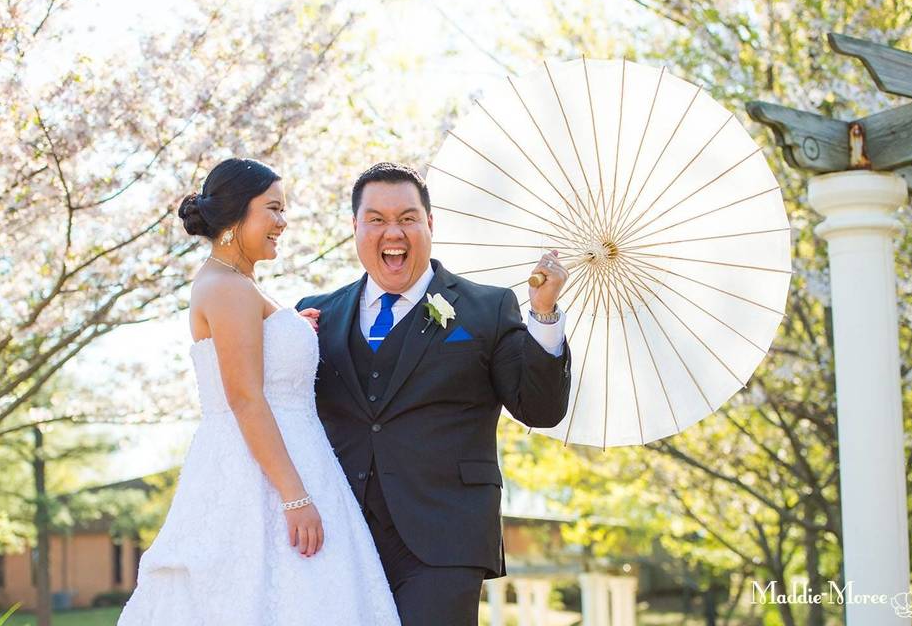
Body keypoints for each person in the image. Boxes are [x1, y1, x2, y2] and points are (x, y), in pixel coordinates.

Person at [118, 158, 400, 626]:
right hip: (260, 481)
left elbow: (259, 353)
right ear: (235, 214)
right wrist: (294, 497)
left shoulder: (237, 284)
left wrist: (292, 329)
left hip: (292, 459)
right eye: (272, 209)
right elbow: (245, 399)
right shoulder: (227, 288)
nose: (282, 223)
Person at [296, 162, 572, 626]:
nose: (393, 233)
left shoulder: (487, 307)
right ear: (355, 227)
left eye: (407, 218)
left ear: (429, 224)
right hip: (341, 534)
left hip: (447, 534)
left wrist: (543, 317)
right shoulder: (315, 315)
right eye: (377, 220)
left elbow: (540, 408)